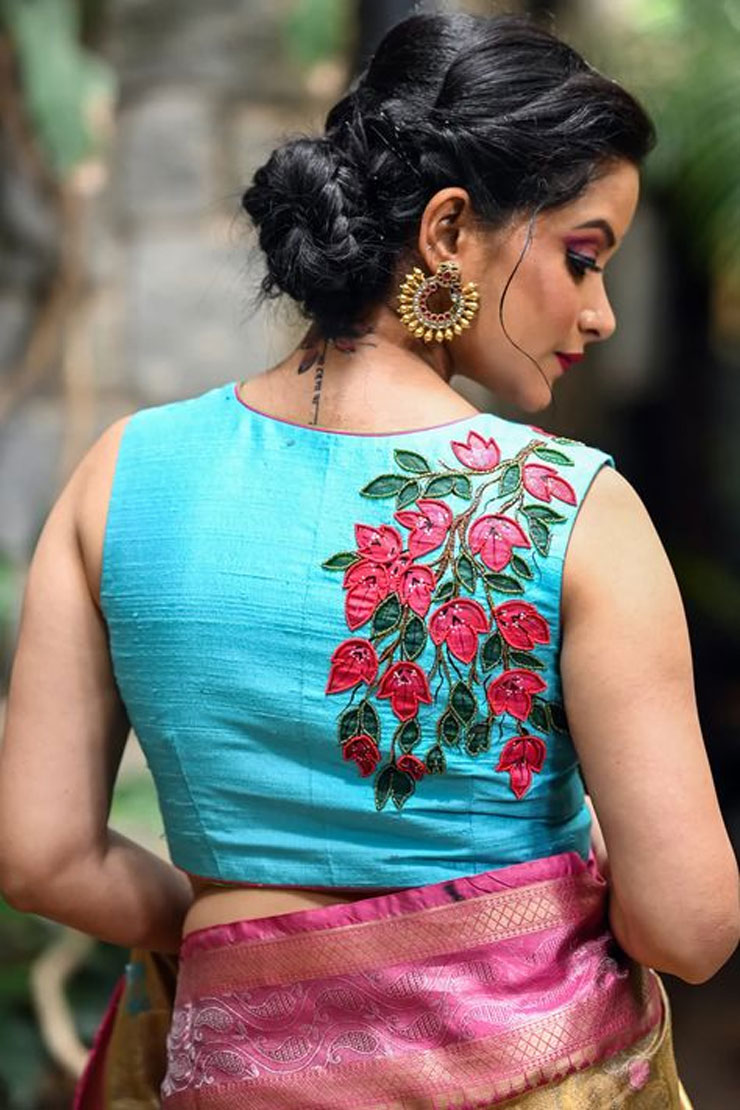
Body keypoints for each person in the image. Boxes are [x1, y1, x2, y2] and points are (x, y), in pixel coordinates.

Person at [0, 11, 737, 1108]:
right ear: (448, 231)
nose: (598, 314)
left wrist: (243, 932)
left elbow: (39, 856)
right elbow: (683, 925)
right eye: (582, 258)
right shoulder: (567, 510)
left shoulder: (121, 474)